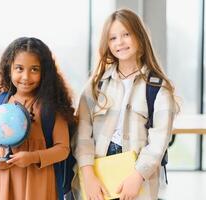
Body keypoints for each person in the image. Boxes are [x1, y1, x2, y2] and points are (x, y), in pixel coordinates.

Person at [72, 8, 178, 200]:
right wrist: (88, 175)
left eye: (126, 34)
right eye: (112, 38)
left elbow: (159, 142)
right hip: (97, 171)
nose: (119, 42)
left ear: (139, 36)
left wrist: (137, 176)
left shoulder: (158, 88)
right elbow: (82, 134)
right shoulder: (96, 85)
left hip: (138, 174)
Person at [0, 37, 77, 200]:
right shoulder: (1, 103)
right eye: (19, 68)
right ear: (9, 69)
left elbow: (63, 149)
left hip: (40, 183)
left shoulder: (52, 106)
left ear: (45, 72)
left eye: (34, 69)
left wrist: (32, 157)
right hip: (6, 182)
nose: (26, 76)